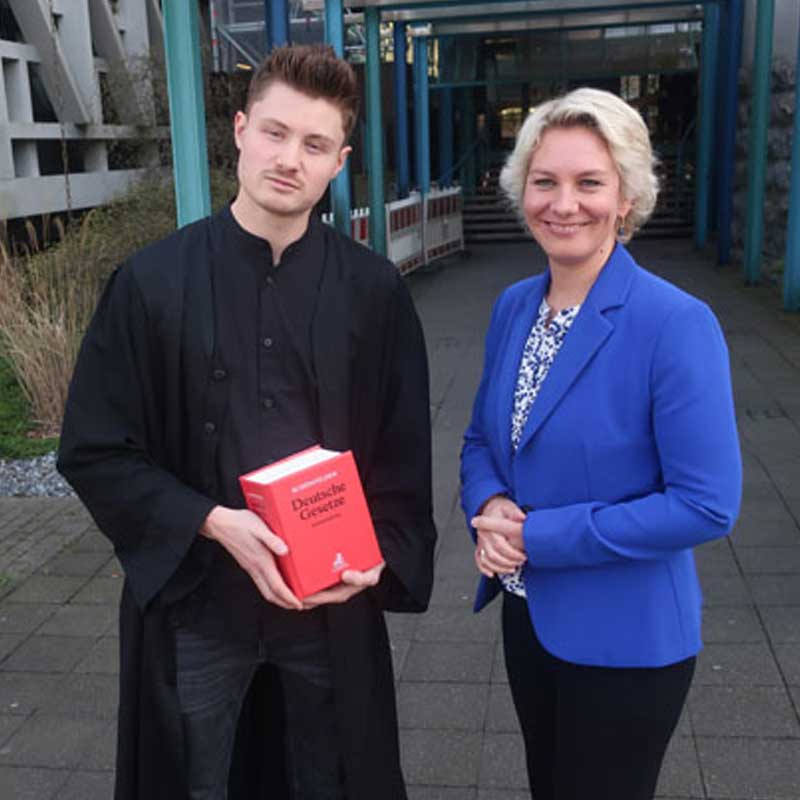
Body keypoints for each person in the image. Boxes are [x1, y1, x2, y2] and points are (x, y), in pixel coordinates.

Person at [58, 44, 436, 800]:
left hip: (328, 611)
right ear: (239, 130)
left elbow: (403, 456)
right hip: (199, 606)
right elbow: (95, 449)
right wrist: (209, 520)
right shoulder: (151, 284)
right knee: (196, 780)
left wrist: (379, 559)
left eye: (315, 144)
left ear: (340, 163)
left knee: (329, 781)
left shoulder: (374, 293)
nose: (290, 158)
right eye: (275, 132)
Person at [460, 87, 741, 800]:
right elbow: (484, 437)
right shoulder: (514, 307)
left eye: (589, 183)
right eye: (544, 181)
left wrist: (538, 537)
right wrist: (488, 505)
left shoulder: (675, 323)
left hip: (627, 641)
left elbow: (706, 505)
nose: (564, 204)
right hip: (530, 617)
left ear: (627, 196)